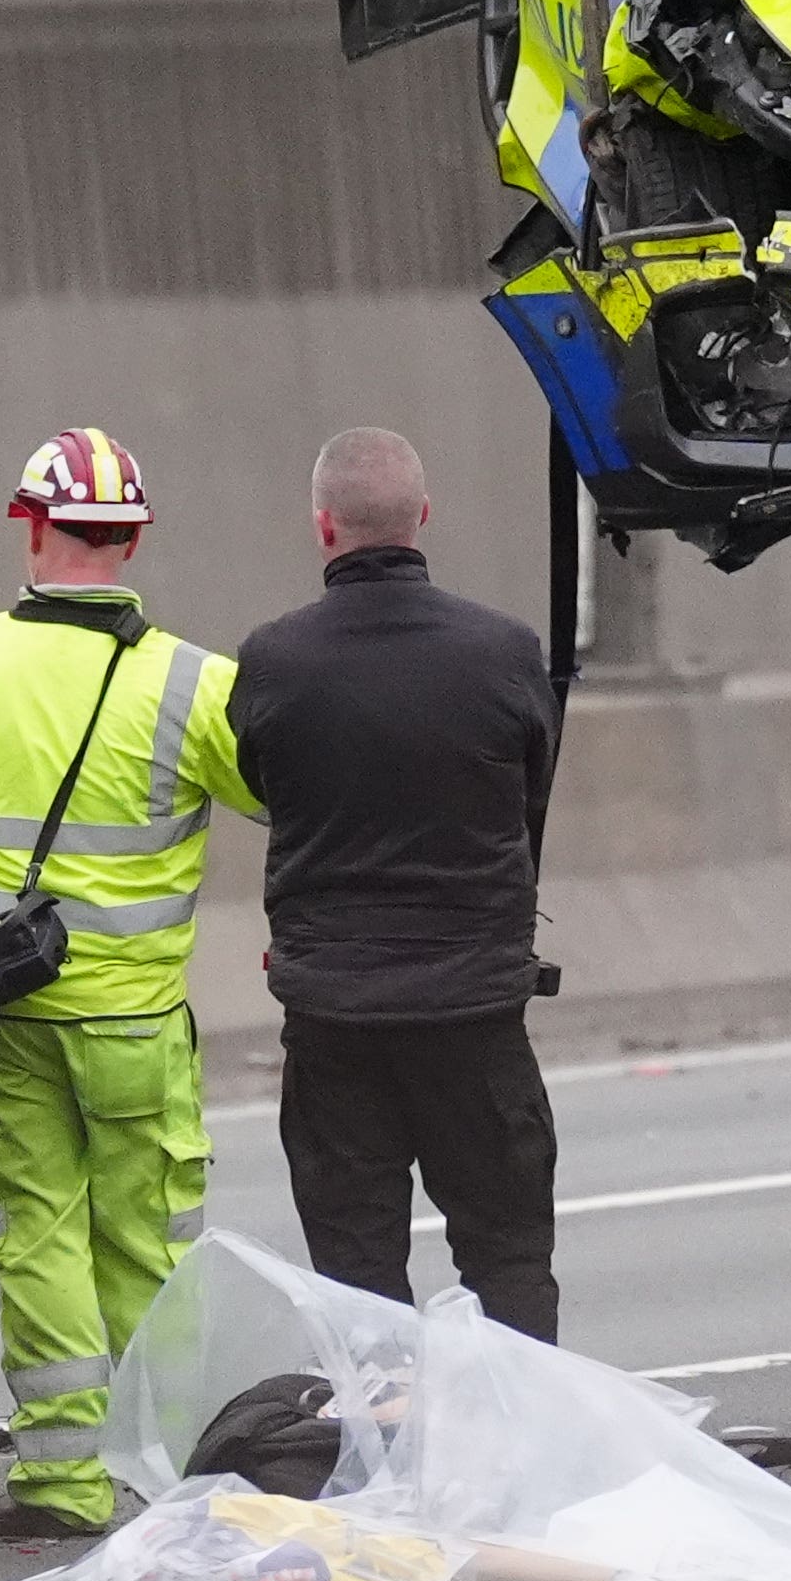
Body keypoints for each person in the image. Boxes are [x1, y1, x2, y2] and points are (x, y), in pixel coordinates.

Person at [0, 428, 260, 1541]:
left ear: (29, 525)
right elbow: (278, 791)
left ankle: (63, 1487)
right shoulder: (195, 681)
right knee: (150, 1247)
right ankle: (172, 1483)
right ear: (132, 537)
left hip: (7, 1008)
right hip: (134, 1020)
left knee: (37, 1234)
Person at [236, 426, 566, 1341]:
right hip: (473, 1011)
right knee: (507, 1256)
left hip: (335, 1018)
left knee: (357, 1271)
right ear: (422, 517)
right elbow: (530, 787)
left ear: (322, 526)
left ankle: (386, 1462)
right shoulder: (503, 650)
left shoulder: (272, 659)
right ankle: (521, 1453)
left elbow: (265, 788)